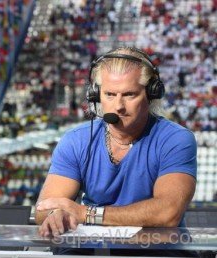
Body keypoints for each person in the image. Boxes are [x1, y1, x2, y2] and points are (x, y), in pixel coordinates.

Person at [35, 47, 197, 256]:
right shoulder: (75, 140)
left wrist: (85, 213)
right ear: (95, 95)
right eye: (109, 94)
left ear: (151, 94)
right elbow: (43, 209)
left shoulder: (176, 139)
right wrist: (56, 215)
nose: (118, 106)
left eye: (129, 94)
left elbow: (168, 213)